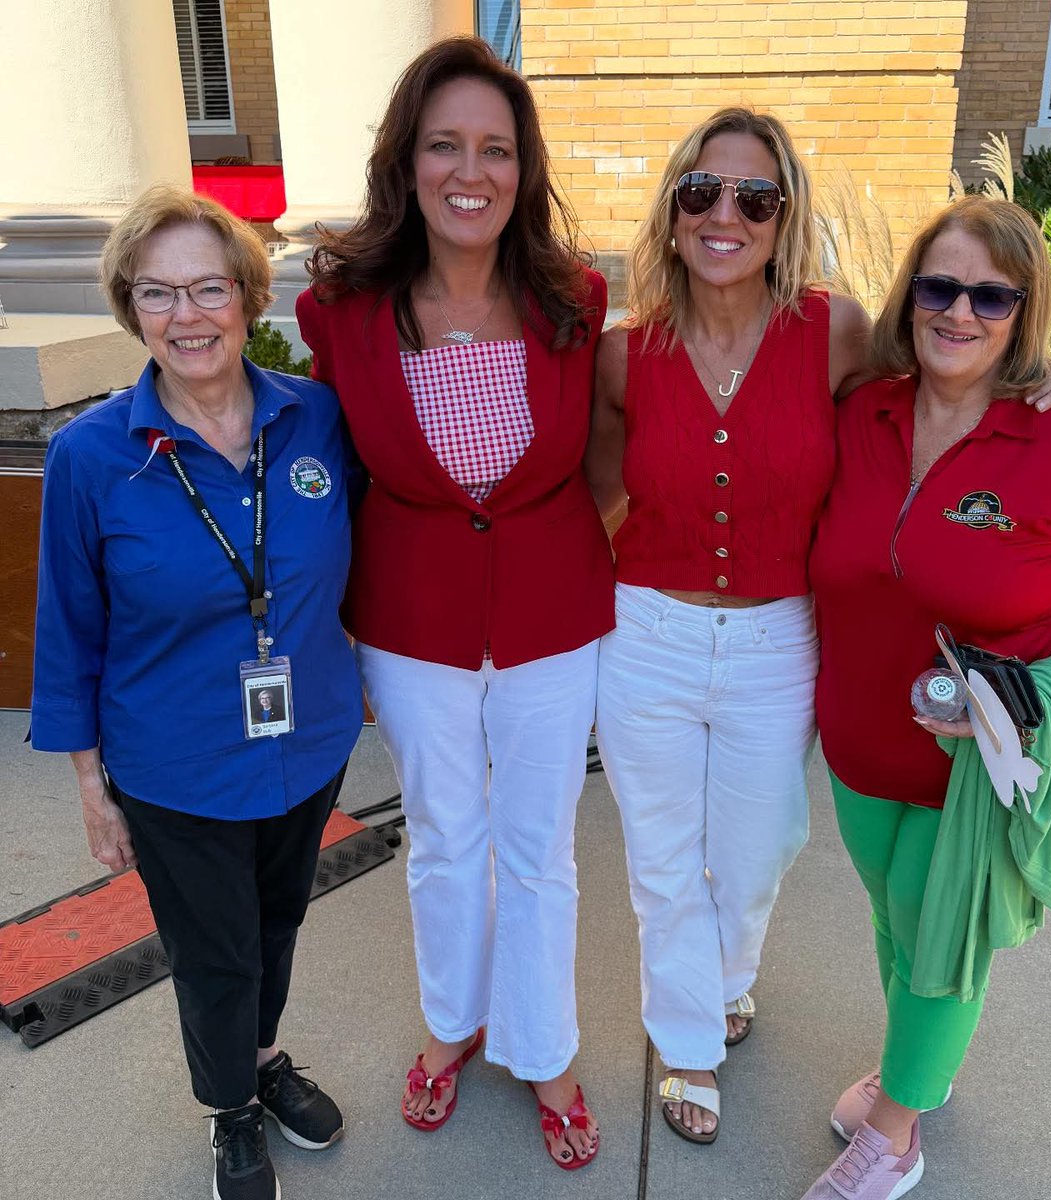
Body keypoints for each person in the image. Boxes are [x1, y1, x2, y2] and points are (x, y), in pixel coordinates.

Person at [585, 109, 1051, 1145]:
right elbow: (595, 497)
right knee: (665, 855)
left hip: (778, 638)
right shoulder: (625, 355)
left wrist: (1040, 375)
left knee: (763, 843)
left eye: (754, 198)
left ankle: (726, 977)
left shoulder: (837, 331)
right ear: (674, 209)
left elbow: (930, 402)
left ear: (784, 216)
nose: (726, 214)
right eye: (703, 192)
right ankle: (688, 1038)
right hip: (651, 637)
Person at [802, 195, 1051, 1198]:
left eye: (991, 296)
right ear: (911, 293)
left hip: (981, 761)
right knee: (892, 918)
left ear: (1025, 310)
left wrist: (1029, 702)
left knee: (937, 930)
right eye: (941, 286)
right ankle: (918, 1068)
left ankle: (898, 1132)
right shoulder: (865, 404)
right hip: (862, 746)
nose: (960, 312)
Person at [295, 36, 609, 1170]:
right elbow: (317, 460)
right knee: (441, 838)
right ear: (408, 162)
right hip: (414, 622)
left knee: (540, 846)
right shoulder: (344, 311)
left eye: (495, 148)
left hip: (550, 621)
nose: (469, 171)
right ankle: (451, 1027)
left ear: (522, 169)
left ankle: (547, 1049)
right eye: (445, 145)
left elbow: (632, 434)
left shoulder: (575, 301)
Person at [30, 186, 364, 1200]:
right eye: (157, 293)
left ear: (248, 295)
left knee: (277, 923)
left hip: (308, 739)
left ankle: (261, 1059)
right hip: (174, 762)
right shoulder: (90, 458)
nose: (188, 316)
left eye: (209, 287)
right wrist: (92, 784)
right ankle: (230, 1106)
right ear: (132, 309)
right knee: (214, 947)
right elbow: (68, 629)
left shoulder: (316, 419)